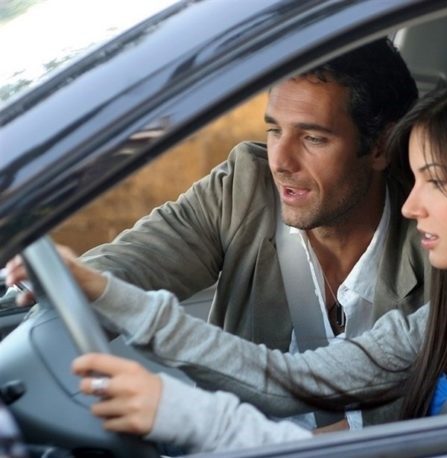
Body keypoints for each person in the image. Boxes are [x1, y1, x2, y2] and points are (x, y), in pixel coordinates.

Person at [5, 67, 447, 453]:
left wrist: (182, 414)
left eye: (435, 181)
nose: (411, 205)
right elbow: (295, 380)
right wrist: (103, 291)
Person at [79, 38, 428, 429]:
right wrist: (70, 283)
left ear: (381, 146)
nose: (281, 162)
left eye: (313, 138)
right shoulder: (245, 186)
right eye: (275, 130)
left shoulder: (435, 235)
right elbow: (132, 262)